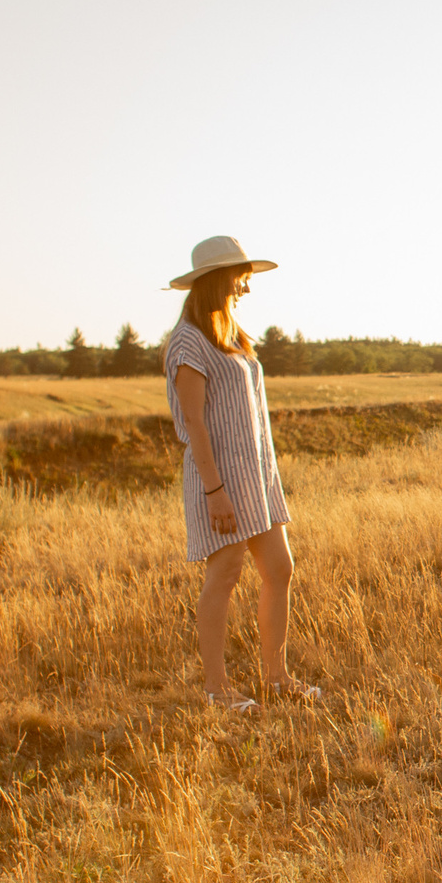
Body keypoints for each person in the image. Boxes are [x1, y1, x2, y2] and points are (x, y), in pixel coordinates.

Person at [163, 236, 320, 711]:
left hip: (256, 477)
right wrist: (215, 491)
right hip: (221, 482)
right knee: (226, 573)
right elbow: (193, 422)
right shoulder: (189, 341)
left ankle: (276, 677)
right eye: (240, 275)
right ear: (216, 279)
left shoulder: (231, 335)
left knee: (279, 569)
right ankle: (216, 689)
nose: (246, 284)